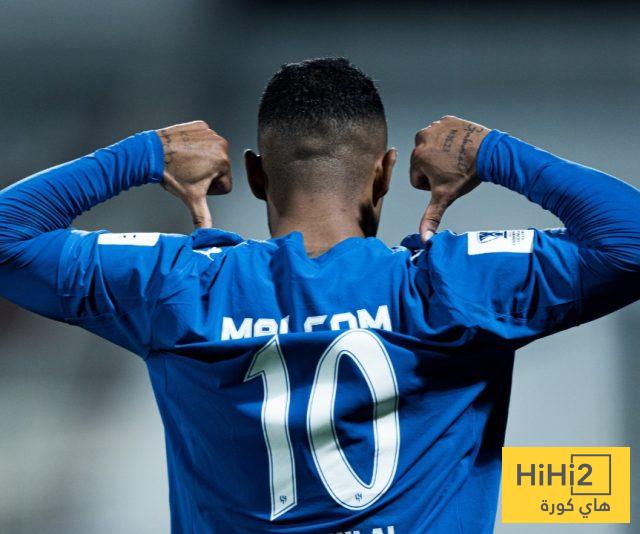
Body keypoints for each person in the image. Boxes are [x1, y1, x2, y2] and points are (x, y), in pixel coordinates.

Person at [0, 57, 638, 534]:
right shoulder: (452, 286)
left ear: (256, 176)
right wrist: (490, 151)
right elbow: (629, 241)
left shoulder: (183, 285)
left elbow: (8, 236)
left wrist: (146, 153)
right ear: (385, 173)